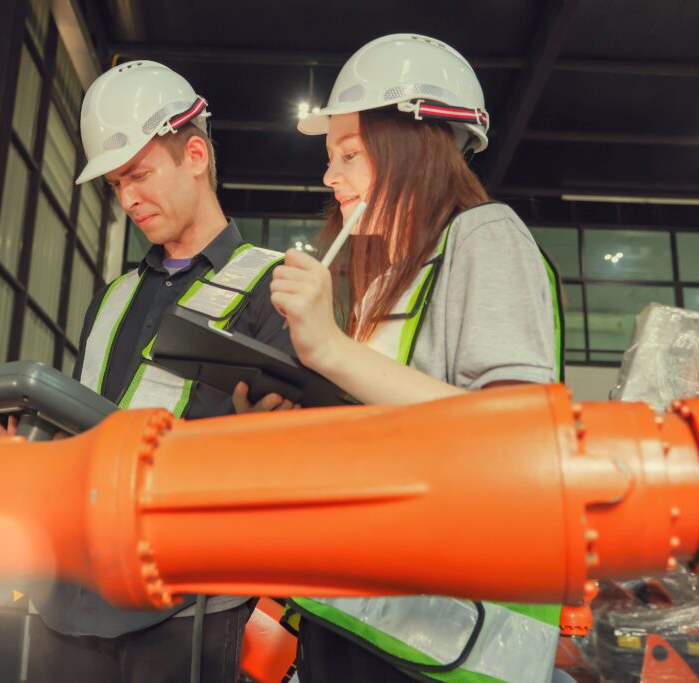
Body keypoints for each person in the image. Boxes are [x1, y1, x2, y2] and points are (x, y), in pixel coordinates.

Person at [235, 34, 566, 682]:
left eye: (350, 154)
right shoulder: (393, 275)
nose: (330, 177)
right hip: (367, 619)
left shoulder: (487, 235)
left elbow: (517, 431)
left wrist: (330, 347)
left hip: (453, 646)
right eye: (332, 158)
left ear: (414, 146)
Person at [22, 60, 295, 683]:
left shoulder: (271, 287)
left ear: (195, 155)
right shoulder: (113, 297)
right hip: (69, 595)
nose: (128, 199)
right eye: (116, 184)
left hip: (186, 608)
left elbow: (280, 456)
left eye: (140, 175)